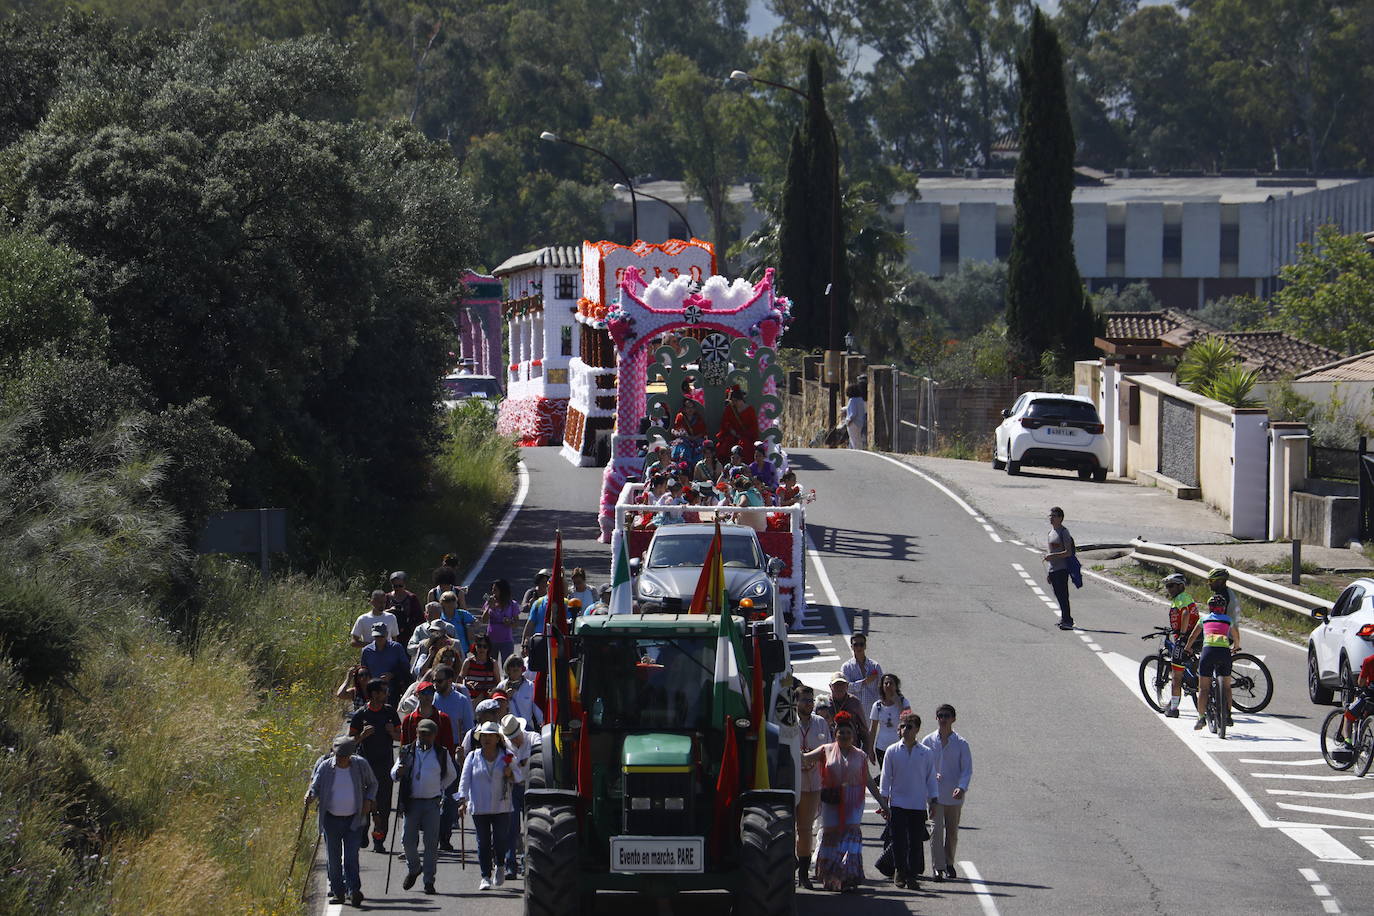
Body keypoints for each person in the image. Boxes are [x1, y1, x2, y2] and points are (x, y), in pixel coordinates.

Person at [801, 712, 886, 892]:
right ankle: (831, 877)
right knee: (831, 838)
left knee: (850, 837)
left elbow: (869, 781)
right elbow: (805, 759)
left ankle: (848, 877)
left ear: (853, 735)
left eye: (848, 733)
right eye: (841, 733)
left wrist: (883, 803)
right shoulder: (826, 750)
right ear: (836, 734)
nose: (845, 736)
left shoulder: (861, 756)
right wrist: (792, 746)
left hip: (853, 804)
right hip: (831, 802)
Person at [306, 735, 377, 907]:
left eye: (344, 757)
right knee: (334, 858)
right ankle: (338, 892)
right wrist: (310, 796)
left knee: (351, 857)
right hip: (331, 820)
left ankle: (353, 891)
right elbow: (315, 787)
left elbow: (373, 784)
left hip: (354, 819)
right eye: (339, 756)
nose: (341, 760)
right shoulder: (325, 767)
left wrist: (369, 800)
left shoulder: (360, 765)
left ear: (350, 755)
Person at [392, 718, 456, 895]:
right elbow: (394, 773)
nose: (424, 737)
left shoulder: (441, 753)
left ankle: (429, 880)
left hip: (432, 803)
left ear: (434, 735)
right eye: (421, 733)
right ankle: (414, 868)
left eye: (428, 734)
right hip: (411, 803)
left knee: (430, 844)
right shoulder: (406, 751)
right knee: (407, 841)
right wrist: (398, 772)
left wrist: (439, 786)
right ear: (417, 733)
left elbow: (452, 774)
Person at [457, 720, 522, 890]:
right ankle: (485, 875)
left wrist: (510, 774)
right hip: (480, 806)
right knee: (483, 842)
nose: (486, 739)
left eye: (490, 736)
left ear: (497, 738)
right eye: (484, 736)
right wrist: (462, 801)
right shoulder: (472, 756)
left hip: (502, 806)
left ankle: (500, 865)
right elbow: (464, 780)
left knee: (500, 839)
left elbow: (519, 778)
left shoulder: (507, 756)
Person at [879, 711, 938, 890]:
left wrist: (933, 801)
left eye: (909, 726)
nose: (905, 730)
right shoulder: (892, 750)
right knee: (898, 841)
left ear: (917, 729)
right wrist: (884, 803)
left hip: (917, 805)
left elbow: (931, 779)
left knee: (915, 841)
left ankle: (912, 875)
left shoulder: (926, 753)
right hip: (897, 804)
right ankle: (899, 871)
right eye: (902, 726)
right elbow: (885, 777)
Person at [349, 680, 401, 853]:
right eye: (382, 691)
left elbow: (401, 737)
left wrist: (391, 732)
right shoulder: (360, 715)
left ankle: (379, 839)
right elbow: (348, 744)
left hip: (385, 765)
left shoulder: (390, 713)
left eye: (385, 691)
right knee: (364, 803)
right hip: (364, 767)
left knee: (383, 806)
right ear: (373, 694)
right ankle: (362, 833)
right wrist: (362, 736)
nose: (385, 694)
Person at [921, 704, 972, 880]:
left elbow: (967, 770)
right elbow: (923, 766)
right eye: (940, 716)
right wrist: (931, 776)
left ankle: (949, 862)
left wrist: (962, 787)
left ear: (953, 719)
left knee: (952, 832)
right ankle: (938, 867)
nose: (943, 719)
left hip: (954, 795)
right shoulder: (928, 741)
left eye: (947, 716)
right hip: (934, 795)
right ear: (936, 718)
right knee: (936, 831)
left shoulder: (961, 744)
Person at [1185, 594, 1238, 730]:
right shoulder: (1228, 619)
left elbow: (1193, 636)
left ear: (1210, 608)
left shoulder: (1204, 619)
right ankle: (1228, 716)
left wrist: (1188, 648)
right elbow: (1236, 634)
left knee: (1203, 689)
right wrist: (1236, 646)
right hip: (1224, 652)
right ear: (1224, 608)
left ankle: (1201, 718)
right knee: (1226, 687)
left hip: (1208, 652)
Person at [795, 685, 828, 889]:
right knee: (788, 829)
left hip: (813, 782)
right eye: (805, 700)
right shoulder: (788, 722)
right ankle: (787, 869)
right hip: (792, 781)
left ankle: (803, 874)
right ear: (796, 702)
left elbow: (827, 749)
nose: (809, 703)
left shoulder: (821, 723)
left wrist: (812, 760)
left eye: (811, 700)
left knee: (806, 829)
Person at [500, 713, 540, 879]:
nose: (515, 740)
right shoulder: (504, 746)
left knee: (531, 828)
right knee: (512, 829)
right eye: (511, 737)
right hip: (513, 788)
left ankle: (527, 863)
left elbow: (539, 756)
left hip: (532, 787)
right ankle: (510, 865)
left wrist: (522, 763)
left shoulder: (534, 738)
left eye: (516, 736)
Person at [1161, 573, 1200, 718]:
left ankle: (1174, 709)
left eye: (1171, 585)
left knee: (1176, 675)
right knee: (1190, 663)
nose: (1168, 589)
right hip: (1196, 634)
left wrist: (1182, 635)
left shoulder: (1181, 598)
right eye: (1167, 586)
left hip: (1187, 636)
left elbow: (1185, 614)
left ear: (1180, 586)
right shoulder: (1185, 598)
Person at [360, 622, 411, 706]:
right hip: (373, 693)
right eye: (377, 636)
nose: (379, 639)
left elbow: (405, 667)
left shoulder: (396, 648)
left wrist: (392, 674)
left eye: (382, 636)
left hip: (394, 690)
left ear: (387, 634)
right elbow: (364, 671)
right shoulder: (366, 651)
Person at [401, 682, 457, 757]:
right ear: (417, 695)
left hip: (436, 765)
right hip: (414, 765)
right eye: (424, 692)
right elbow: (404, 748)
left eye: (431, 693)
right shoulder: (408, 720)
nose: (428, 696)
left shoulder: (443, 718)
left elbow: (449, 748)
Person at [1044, 507, 1077, 630]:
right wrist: (1049, 571)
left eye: (1053, 516)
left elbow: (1068, 552)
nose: (1051, 518)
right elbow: (1050, 551)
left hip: (1062, 569)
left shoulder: (1064, 532)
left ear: (1060, 518)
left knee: (1063, 595)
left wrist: (1052, 556)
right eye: (1050, 516)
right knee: (1058, 595)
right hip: (1053, 570)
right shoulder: (1050, 533)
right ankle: (1064, 618)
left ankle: (1067, 621)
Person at [868, 674, 911, 766]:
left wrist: (897, 701)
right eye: (886, 683)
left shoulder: (904, 702)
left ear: (896, 686)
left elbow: (908, 720)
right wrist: (870, 749)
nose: (888, 686)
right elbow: (873, 729)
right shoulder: (877, 705)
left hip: (900, 747)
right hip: (882, 747)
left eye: (891, 683)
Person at [842, 634, 884, 726]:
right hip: (854, 710)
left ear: (865, 646)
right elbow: (846, 688)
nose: (859, 647)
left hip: (872, 711)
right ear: (852, 647)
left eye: (861, 644)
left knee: (871, 738)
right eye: (856, 645)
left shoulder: (874, 666)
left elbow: (882, 688)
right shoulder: (846, 667)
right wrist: (864, 682)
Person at [498, 655, 543, 729]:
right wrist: (506, 698)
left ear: (522, 669)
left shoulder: (530, 686)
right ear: (508, 669)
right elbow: (496, 710)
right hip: (508, 728)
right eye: (513, 665)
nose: (516, 667)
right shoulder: (501, 686)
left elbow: (536, 707)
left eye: (519, 665)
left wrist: (541, 723)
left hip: (527, 727)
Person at [828, 674, 868, 751]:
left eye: (842, 684)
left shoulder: (854, 702)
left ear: (847, 686)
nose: (839, 687)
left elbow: (863, 728)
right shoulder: (825, 703)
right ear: (830, 686)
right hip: (830, 748)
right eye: (836, 685)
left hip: (852, 746)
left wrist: (867, 749)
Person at [482, 579, 520, 659]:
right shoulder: (489, 602)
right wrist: (489, 607)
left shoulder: (512, 604)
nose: (493, 592)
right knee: (491, 666)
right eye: (492, 590)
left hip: (506, 640)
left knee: (507, 666)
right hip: (491, 640)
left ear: (502, 591)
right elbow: (484, 620)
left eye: (495, 590)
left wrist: (510, 622)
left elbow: (516, 623)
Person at [719, 388, 760, 462]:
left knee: (745, 446)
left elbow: (753, 427)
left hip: (746, 436)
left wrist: (743, 434)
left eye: (735, 401)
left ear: (740, 399)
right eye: (732, 401)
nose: (734, 403)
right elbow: (725, 422)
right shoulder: (730, 408)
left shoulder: (750, 410)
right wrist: (731, 430)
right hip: (731, 435)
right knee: (724, 446)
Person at [387, 571, 426, 643]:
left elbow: (420, 618)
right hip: (390, 632)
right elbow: (379, 613)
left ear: (405, 585)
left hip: (407, 633)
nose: (397, 588)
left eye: (400, 586)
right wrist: (389, 611)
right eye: (395, 586)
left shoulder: (411, 598)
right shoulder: (387, 597)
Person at [461, 635, 500, 701]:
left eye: (485, 646)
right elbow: (460, 681)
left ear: (488, 648)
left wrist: (492, 691)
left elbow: (498, 683)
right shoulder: (468, 662)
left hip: (488, 700)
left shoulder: (493, 663)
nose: (482, 649)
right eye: (479, 646)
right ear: (475, 646)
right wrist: (467, 684)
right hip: (471, 700)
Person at [438, 590, 477, 656]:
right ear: (442, 603)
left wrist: (470, 627)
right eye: (447, 600)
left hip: (462, 650)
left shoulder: (462, 614)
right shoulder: (439, 616)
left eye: (453, 599)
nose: (450, 602)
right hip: (444, 651)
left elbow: (477, 622)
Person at [844, 382, 866, 449]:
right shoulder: (861, 400)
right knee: (858, 439)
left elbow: (853, 413)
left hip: (853, 423)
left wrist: (848, 421)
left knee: (853, 440)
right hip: (860, 422)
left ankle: (856, 453)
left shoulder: (852, 400)